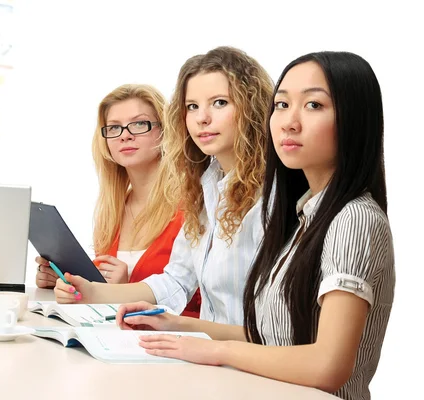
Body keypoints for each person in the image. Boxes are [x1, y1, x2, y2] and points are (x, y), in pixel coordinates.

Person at [119, 51, 395, 400]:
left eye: (313, 106)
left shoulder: (354, 219)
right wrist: (177, 325)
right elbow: (272, 338)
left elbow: (327, 366)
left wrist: (216, 351)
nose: (288, 122)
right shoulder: (305, 215)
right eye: (281, 105)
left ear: (355, 120)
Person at [53, 46, 273, 326]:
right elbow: (177, 280)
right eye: (192, 106)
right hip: (204, 350)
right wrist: (91, 290)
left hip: (240, 354)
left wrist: (178, 327)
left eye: (219, 102)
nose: (202, 117)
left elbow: (275, 327)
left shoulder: (272, 192)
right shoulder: (205, 187)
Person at [35, 83, 201, 317]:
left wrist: (123, 287)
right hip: (120, 338)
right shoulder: (112, 210)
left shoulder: (193, 206)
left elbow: (199, 299)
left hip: (177, 342)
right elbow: (102, 290)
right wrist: (65, 281)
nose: (125, 135)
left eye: (139, 124)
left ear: (164, 131)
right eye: (114, 128)